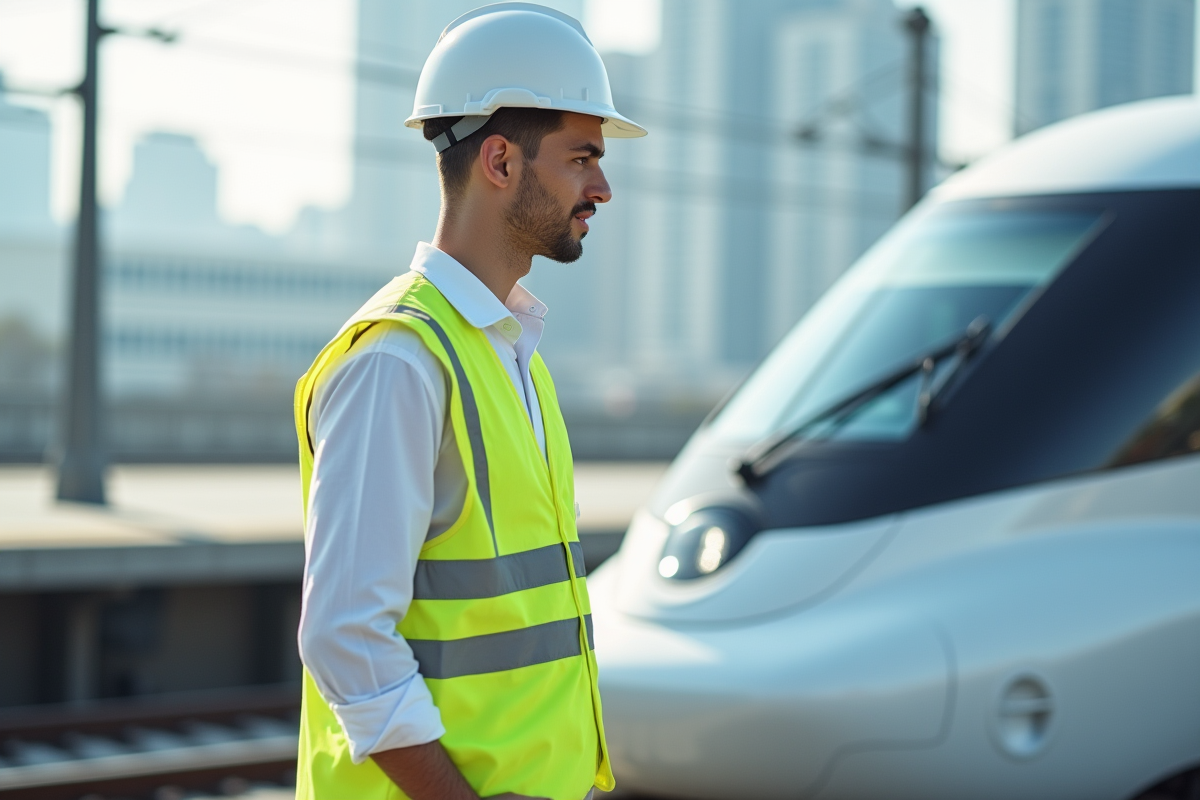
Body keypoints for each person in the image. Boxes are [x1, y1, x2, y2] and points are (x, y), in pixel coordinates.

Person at [292, 4, 646, 799]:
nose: (602, 187)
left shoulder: (510, 350)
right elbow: (346, 640)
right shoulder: (398, 361)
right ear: (499, 162)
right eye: (581, 157)